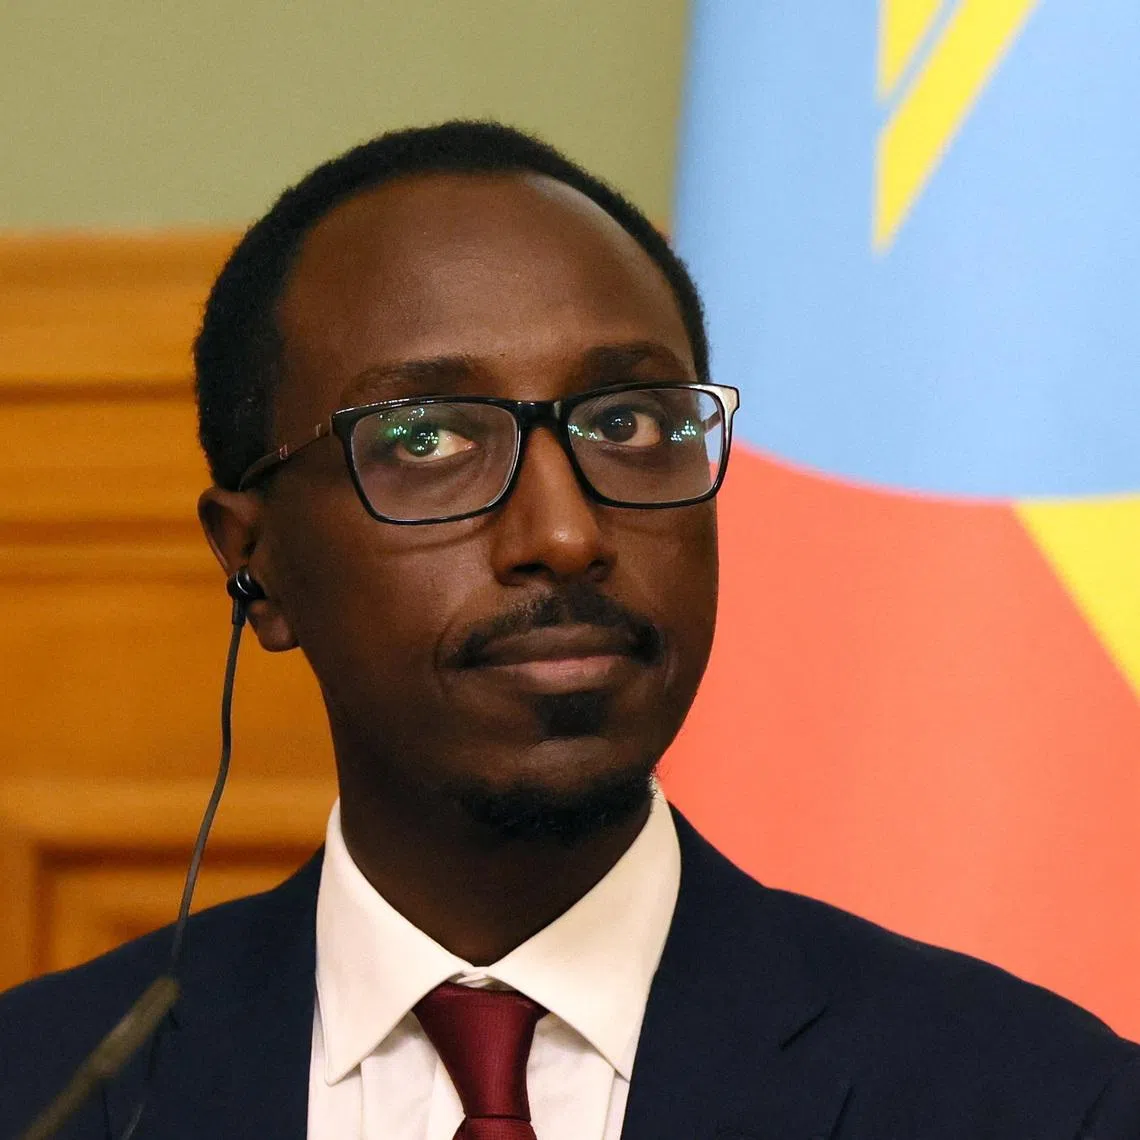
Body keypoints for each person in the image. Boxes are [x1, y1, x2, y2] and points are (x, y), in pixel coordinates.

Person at [2, 121, 1138, 1140]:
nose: (565, 532)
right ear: (254, 560)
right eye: (430, 440)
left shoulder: (1038, 1100)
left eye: (630, 420)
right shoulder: (49, 1090)